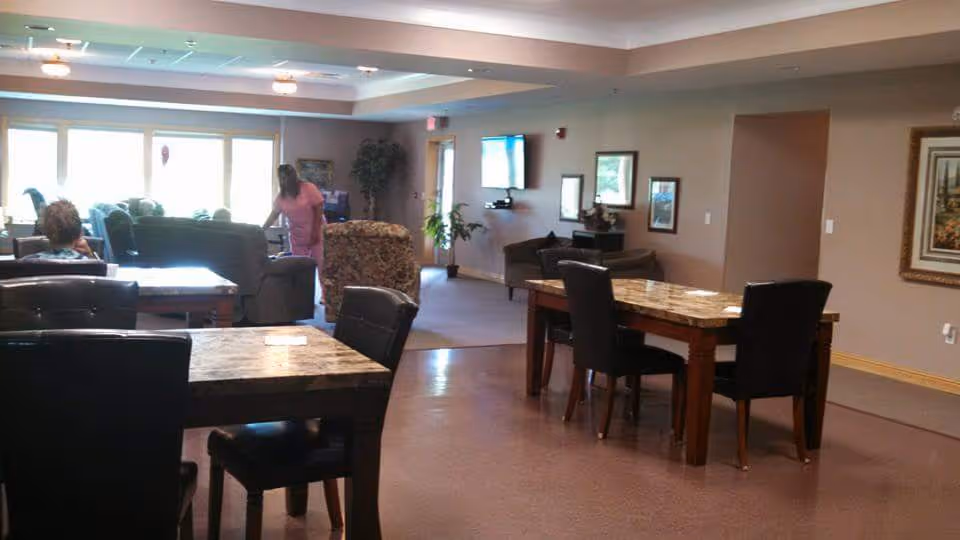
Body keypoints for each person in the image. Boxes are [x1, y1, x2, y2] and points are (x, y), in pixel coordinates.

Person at [263, 164, 326, 267]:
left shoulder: (308, 188)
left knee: (320, 265)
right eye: (282, 177)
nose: (285, 180)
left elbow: (318, 209)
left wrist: (315, 233)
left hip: (317, 233)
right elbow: (273, 215)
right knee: (299, 267)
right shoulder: (281, 197)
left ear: (293, 176)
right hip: (297, 237)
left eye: (287, 176)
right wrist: (261, 230)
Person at [23, 200, 95, 260]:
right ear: (80, 234)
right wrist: (90, 257)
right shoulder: (93, 267)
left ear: (46, 232)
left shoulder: (23, 265)